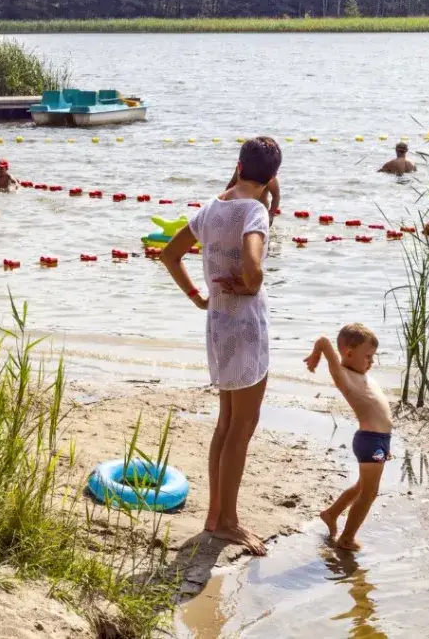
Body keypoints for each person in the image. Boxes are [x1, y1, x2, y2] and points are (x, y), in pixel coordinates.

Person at [160, 136, 283, 556]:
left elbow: (170, 255)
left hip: (217, 323)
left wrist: (198, 297)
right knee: (242, 427)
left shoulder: (211, 208)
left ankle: (216, 516)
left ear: (239, 166)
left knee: (227, 422)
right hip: (246, 326)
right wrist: (252, 285)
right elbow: (253, 266)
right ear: (272, 176)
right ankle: (227, 522)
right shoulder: (255, 210)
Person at [305, 324, 391, 552]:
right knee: (369, 493)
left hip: (380, 441)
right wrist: (315, 356)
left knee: (361, 487)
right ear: (349, 353)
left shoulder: (361, 374)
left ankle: (331, 514)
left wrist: (386, 445)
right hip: (370, 440)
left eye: (373, 357)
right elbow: (324, 341)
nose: (371, 362)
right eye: (368, 357)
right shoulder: (343, 375)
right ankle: (347, 538)